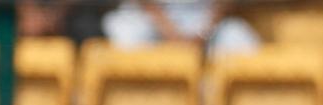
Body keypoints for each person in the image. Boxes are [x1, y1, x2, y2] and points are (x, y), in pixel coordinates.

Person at [102, 1, 261, 57]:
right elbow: (147, 4)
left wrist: (203, 32)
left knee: (240, 38)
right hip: (150, 21)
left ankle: (213, 104)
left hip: (205, 23)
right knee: (127, 36)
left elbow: (224, 4)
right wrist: (173, 35)